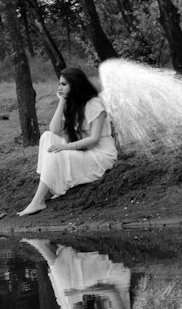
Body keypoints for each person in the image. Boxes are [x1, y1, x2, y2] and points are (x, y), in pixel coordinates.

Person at [17, 66, 118, 216]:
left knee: (56, 153)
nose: (59, 88)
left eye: (64, 84)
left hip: (100, 156)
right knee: (47, 137)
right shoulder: (71, 104)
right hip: (84, 152)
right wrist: (62, 103)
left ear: (75, 85)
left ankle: (38, 201)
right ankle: (50, 188)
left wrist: (65, 148)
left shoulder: (95, 104)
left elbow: (93, 140)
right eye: (59, 84)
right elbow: (54, 129)